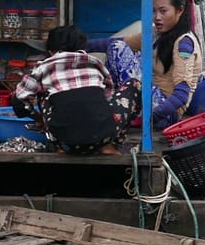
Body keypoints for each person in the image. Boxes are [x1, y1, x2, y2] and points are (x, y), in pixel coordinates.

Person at [11, 25, 129, 153]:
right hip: (103, 136)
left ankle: (59, 146)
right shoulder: (96, 64)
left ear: (50, 51)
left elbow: (18, 98)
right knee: (134, 84)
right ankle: (110, 145)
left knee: (43, 91)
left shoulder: (42, 68)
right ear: (82, 47)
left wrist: (37, 118)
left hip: (65, 141)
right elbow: (108, 96)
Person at [141, 0, 205, 128]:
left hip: (167, 113)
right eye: (153, 11)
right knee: (118, 48)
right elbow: (124, 42)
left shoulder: (184, 44)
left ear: (180, 10)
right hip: (153, 100)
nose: (157, 17)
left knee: (132, 82)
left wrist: (150, 117)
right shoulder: (159, 34)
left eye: (163, 11)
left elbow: (181, 96)